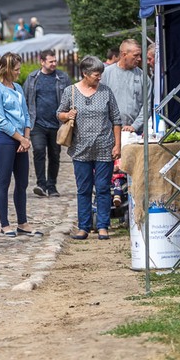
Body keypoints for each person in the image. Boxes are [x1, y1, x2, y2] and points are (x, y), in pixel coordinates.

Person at [57, 55, 121, 240]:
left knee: (103, 188)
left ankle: (103, 226)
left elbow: (116, 119)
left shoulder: (106, 92)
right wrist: (67, 115)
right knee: (83, 189)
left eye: (100, 73)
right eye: (96, 74)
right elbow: (59, 113)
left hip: (104, 146)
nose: (99, 77)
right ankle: (83, 227)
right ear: (85, 73)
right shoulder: (70, 91)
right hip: (80, 148)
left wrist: (117, 145)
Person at [0, 52, 40, 238]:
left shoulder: (18, 88)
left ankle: (22, 222)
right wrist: (20, 138)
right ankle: (4, 224)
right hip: (4, 139)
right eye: (16, 69)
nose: (19, 72)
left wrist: (26, 138)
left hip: (21, 139)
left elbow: (26, 114)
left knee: (23, 181)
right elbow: (1, 120)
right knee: (4, 181)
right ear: (7, 69)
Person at [24, 49, 71, 198]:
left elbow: (70, 98)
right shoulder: (33, 78)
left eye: (55, 61)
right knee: (38, 150)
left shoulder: (62, 78)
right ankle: (41, 184)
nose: (54, 64)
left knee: (54, 155)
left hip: (57, 124)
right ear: (42, 62)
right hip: (37, 123)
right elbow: (25, 99)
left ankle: (52, 186)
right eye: (51, 61)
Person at [101, 38, 145, 133]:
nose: (139, 59)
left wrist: (134, 126)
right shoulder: (106, 74)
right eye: (136, 55)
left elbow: (147, 105)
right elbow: (99, 103)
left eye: (140, 55)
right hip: (110, 132)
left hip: (135, 133)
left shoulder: (143, 77)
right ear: (124, 55)